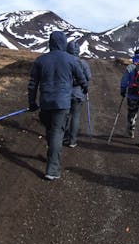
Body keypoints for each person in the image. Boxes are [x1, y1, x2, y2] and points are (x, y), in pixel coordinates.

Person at [28, 31, 88, 181]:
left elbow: (32, 85)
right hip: (62, 103)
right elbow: (82, 78)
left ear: (50, 43)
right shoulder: (70, 59)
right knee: (57, 133)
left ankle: (51, 157)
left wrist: (32, 103)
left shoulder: (40, 60)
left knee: (50, 131)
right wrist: (85, 88)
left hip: (46, 103)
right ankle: (52, 169)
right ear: (63, 42)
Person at [63, 40, 92, 148]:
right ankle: (72, 141)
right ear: (78, 51)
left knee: (65, 115)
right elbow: (88, 77)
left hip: (64, 93)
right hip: (78, 93)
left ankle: (61, 136)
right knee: (75, 116)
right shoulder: (83, 63)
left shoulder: (64, 62)